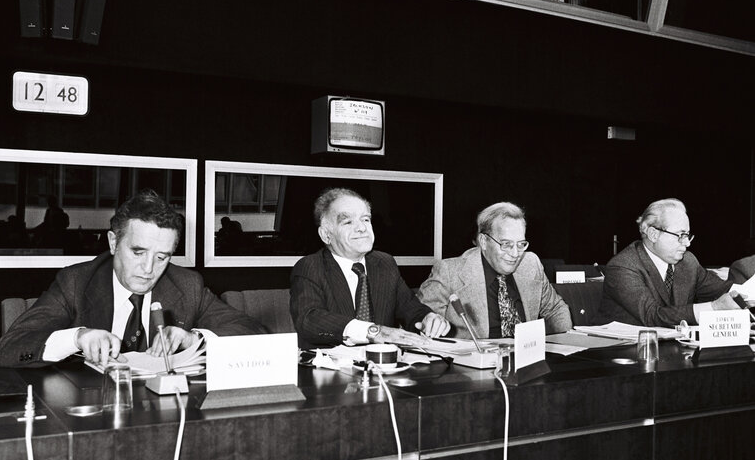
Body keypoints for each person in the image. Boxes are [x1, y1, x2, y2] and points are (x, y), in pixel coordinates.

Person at [0, 190, 266, 369]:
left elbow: (255, 334)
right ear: (113, 242)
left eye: (162, 257)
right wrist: (76, 338)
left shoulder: (187, 285)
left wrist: (192, 337)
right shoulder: (76, 282)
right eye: (138, 252)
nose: (148, 269)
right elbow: (6, 351)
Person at [290, 187, 450, 349]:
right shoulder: (310, 266)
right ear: (326, 235)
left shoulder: (384, 263)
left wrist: (428, 319)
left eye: (365, 219)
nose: (362, 228)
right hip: (330, 368)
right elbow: (309, 320)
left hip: (384, 366)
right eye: (348, 222)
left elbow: (411, 309)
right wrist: (374, 332)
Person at [417, 202, 571, 339]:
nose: (515, 254)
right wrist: (430, 324)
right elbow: (421, 319)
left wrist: (550, 345)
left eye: (521, 244)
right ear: (483, 241)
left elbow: (556, 310)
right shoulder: (450, 272)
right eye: (506, 244)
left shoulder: (531, 264)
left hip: (526, 361)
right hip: (472, 364)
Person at [596, 198, 738, 327]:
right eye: (680, 235)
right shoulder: (623, 266)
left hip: (670, 347)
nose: (687, 243)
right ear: (653, 234)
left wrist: (748, 295)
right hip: (618, 349)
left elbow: (724, 290)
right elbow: (652, 315)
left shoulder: (688, 262)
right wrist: (714, 307)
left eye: (687, 235)